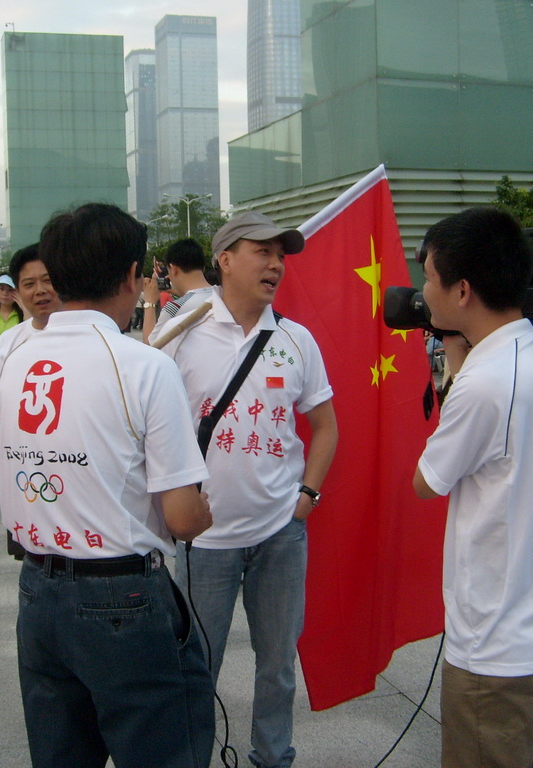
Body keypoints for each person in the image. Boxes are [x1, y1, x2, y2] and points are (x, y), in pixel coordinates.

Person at [0, 204, 215, 767]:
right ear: (132, 275)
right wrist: (204, 509)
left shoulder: (15, 359)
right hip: (122, 599)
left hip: (37, 591)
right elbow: (183, 518)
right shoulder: (143, 365)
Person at [158, 211, 338, 768]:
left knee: (277, 665)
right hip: (205, 543)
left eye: (280, 256)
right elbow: (147, 428)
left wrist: (306, 499)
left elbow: (326, 427)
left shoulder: (295, 339)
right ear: (226, 259)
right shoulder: (181, 334)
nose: (275, 265)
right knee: (195, 667)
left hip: (280, 535)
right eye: (263, 252)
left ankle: (273, 756)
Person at [412, 207, 533, 768]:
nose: (422, 293)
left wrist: (455, 373)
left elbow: (426, 482)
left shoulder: (484, 383)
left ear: (462, 290)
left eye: (429, 278)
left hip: (495, 645)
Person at [0, 244, 64, 561]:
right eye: (29, 284)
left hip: (70, 476)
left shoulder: (87, 337)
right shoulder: (11, 340)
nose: (40, 290)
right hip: (22, 477)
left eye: (47, 280)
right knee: (32, 560)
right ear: (19, 292)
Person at [142, 238, 214, 344]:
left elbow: (150, 344)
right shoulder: (223, 295)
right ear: (202, 267)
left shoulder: (175, 308)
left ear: (174, 268)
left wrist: (150, 302)